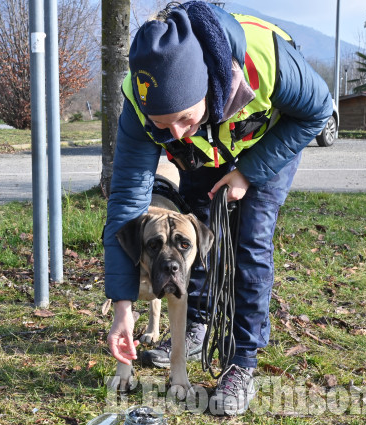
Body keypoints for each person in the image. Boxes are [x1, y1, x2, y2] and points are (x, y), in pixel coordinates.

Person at [103, 1, 333, 416]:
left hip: (267, 142)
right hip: (207, 151)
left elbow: (317, 111)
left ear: (208, 87)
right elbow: (126, 205)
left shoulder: (265, 60)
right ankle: (195, 325)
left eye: (182, 118)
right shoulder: (139, 105)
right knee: (194, 230)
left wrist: (249, 173)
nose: (173, 133)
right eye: (161, 125)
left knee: (250, 241)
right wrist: (122, 305)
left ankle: (241, 361)